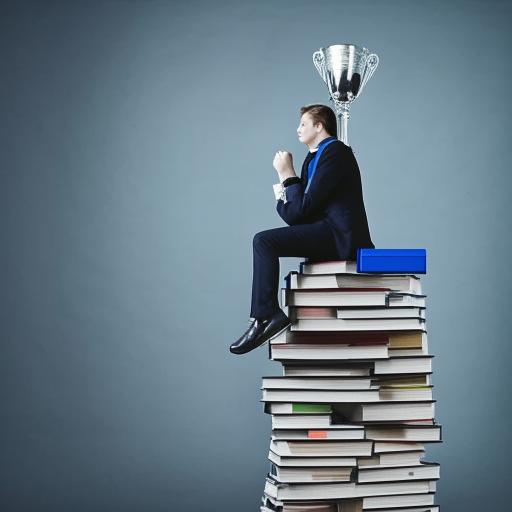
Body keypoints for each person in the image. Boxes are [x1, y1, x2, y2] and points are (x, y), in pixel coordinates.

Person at [229, 104, 374, 355]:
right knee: (264, 241)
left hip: (341, 238)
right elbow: (295, 216)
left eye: (303, 124)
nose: (298, 130)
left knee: (263, 241)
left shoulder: (336, 152)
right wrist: (286, 181)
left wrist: (286, 175)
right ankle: (266, 316)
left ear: (319, 126)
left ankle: (266, 317)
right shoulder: (313, 158)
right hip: (326, 231)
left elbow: (301, 211)